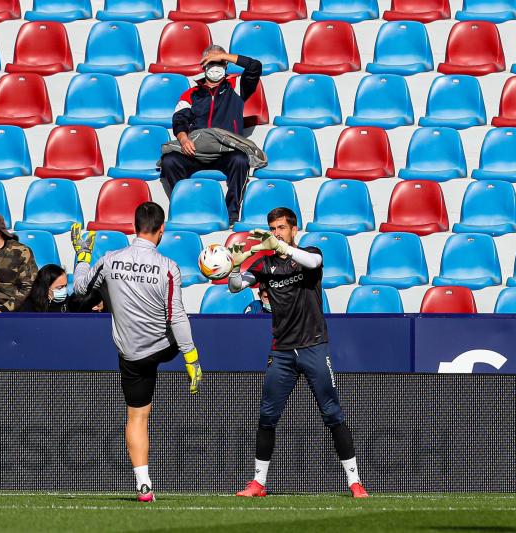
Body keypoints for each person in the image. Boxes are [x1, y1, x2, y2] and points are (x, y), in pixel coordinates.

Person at [228, 207, 368, 498]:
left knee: (332, 414)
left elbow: (314, 261)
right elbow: (235, 286)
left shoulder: (309, 254)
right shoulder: (265, 265)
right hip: (282, 353)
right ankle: (258, 483)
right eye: (273, 228)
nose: (276, 232)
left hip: (314, 346)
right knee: (267, 417)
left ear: (294, 230)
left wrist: (280, 246)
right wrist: (233, 266)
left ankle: (355, 482)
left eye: (281, 228)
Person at [71, 204, 201, 503]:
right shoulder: (168, 267)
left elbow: (79, 288)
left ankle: (143, 484)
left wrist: (82, 255)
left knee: (137, 417)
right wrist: (191, 358)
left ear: (134, 226)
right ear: (161, 229)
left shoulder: (109, 260)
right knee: (173, 316)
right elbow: (177, 316)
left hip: (131, 353)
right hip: (162, 347)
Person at [161, 45, 263, 226]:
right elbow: (179, 120)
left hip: (226, 151)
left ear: (225, 65)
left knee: (240, 160)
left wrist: (225, 56)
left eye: (220, 63)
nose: (215, 67)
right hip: (197, 151)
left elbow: (255, 66)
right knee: (169, 162)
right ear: (204, 66)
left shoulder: (236, 87)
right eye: (211, 62)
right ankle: (187, 208)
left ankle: (230, 215)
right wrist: (183, 138)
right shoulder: (191, 94)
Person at [18, 264, 105, 313]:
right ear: (45, 287)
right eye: (60, 287)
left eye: (65, 286)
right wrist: (49, 304)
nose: (64, 290)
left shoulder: (69, 302)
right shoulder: (29, 306)